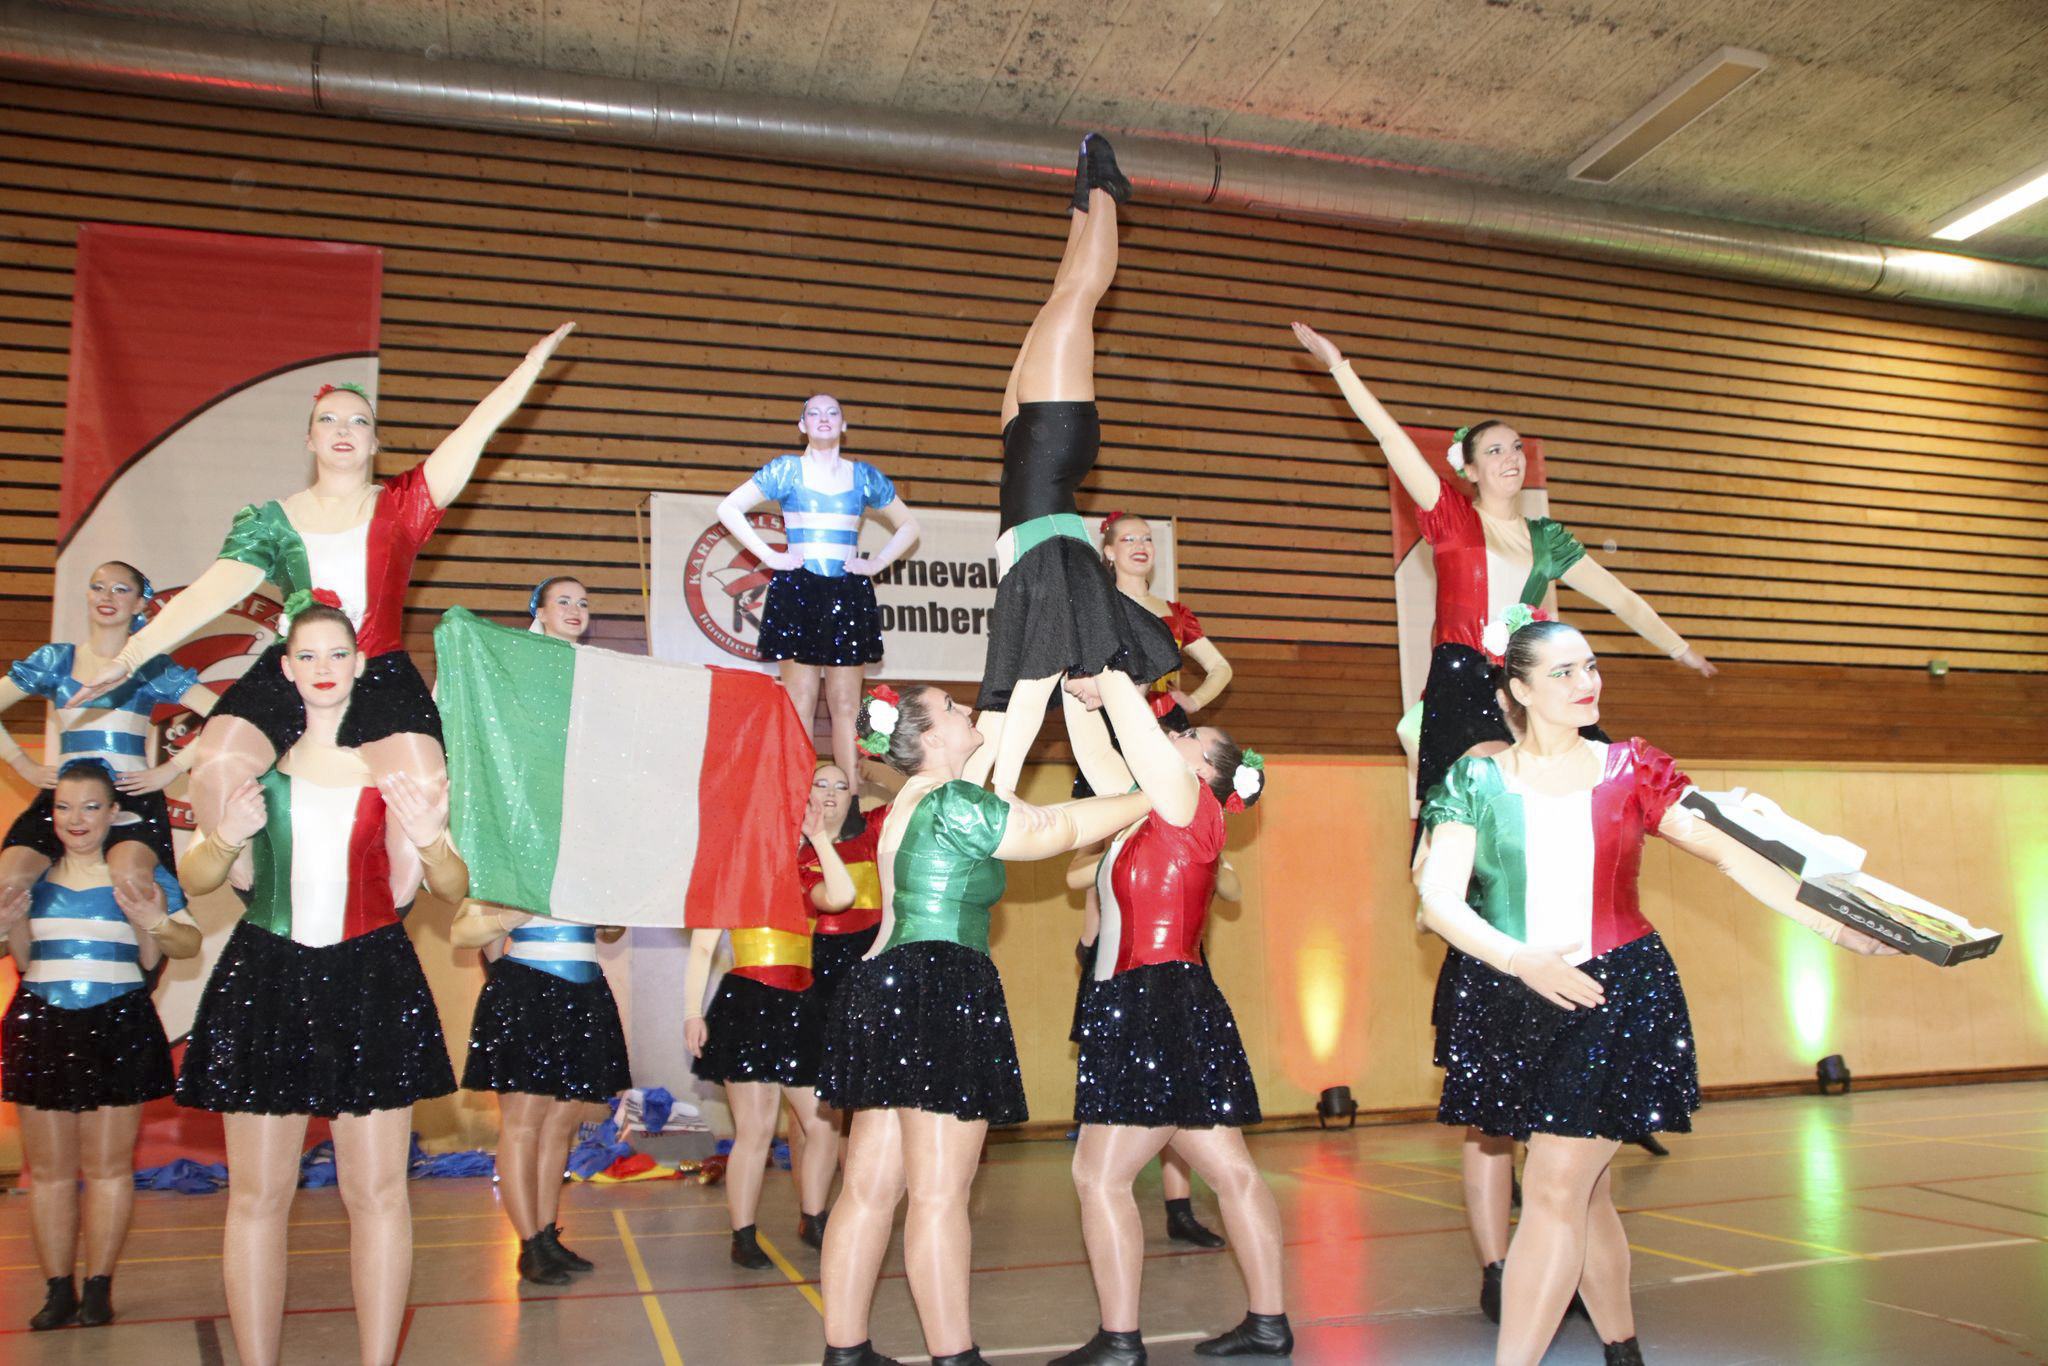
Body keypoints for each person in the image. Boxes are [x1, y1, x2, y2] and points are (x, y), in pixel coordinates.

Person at [1290, 320, 1714, 1313]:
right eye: (1493, 448)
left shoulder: (1549, 542)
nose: (1511, 458)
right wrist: (1341, 366)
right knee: (1464, 825)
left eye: (1519, 448)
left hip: (1530, 691)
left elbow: (1617, 596)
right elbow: (1381, 433)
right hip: (1461, 688)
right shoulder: (1443, 512)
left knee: (1566, 804)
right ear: (1465, 465)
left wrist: (1678, 647)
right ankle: (1472, 924)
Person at [1416, 617, 1894, 1366]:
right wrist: (1520, 961)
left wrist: (1839, 927)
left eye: (1591, 666)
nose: (1587, 682)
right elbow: (1438, 898)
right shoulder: (1473, 782)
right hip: (1515, 997)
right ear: (1519, 690)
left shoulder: (1631, 767)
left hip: (1618, 997)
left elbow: (1734, 854)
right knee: (1585, 1191)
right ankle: (1623, 1349)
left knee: (1553, 1188)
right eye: (1564, 672)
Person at [75, 325, 574, 899]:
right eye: (328, 420)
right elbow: (209, 593)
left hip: (380, 670)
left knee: (425, 785)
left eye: (358, 421)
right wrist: (132, 654)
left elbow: (474, 432)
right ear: (309, 440)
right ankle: (258, 894)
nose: (343, 429)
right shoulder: (272, 521)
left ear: (375, 443)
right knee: (215, 756)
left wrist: (528, 369)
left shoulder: (404, 506)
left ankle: (386, 911)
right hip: (292, 670)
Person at [816, 685, 1150, 1366]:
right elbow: (1051, 830)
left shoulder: (914, 799)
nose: (968, 712)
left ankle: (845, 1354)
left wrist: (1031, 674)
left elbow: (998, 724)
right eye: (952, 707)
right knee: (939, 1194)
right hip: (936, 984)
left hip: (882, 983)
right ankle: (955, 1357)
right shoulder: (950, 800)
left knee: (868, 1191)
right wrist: (1158, 795)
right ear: (930, 737)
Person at [176, 603, 469, 1366]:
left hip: (372, 977)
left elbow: (450, 887)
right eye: (307, 656)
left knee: (378, 1194)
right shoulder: (254, 778)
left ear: (360, 664)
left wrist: (433, 841)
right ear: (286, 670)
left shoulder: (393, 780)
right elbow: (197, 878)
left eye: (337, 653)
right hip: (266, 977)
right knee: (256, 1197)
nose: (324, 668)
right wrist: (224, 838)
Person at [1053, 671, 1288, 1362]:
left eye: (1191, 736)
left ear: (1209, 772)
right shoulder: (1145, 809)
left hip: (1153, 1000)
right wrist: (1074, 687)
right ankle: (1269, 1323)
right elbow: (1098, 751)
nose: (1177, 733)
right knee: (1232, 1172)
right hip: (1153, 1000)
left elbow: (1142, 738)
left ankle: (1120, 1341)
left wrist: (1111, 678)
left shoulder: (1190, 804)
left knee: (1099, 1176)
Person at [972, 136, 1180, 798]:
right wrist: (1002, 790)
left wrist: (989, 782)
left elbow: (1021, 709)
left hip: (1026, 451)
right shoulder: (1065, 615)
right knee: (1081, 297)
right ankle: (1107, 194)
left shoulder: (1057, 622)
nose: (1082, 691)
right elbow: (1026, 698)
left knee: (1059, 297)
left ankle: (1082, 206)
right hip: (1053, 449)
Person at [451, 573, 628, 1287]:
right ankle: (526, 1243)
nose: (577, 610)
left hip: (583, 988)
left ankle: (549, 1233)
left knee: (562, 1123)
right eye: (564, 602)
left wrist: (613, 905)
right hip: (527, 989)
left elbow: (608, 930)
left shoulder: (592, 840)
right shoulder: (508, 838)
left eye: (586, 602)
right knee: (522, 1124)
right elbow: (464, 931)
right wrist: (510, 915)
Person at [0, 760, 201, 1330]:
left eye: (91, 806)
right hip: (42, 1024)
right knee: (51, 1171)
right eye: (63, 807)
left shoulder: (141, 876)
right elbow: (20, 958)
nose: (76, 819)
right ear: (50, 813)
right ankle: (56, 1291)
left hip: (118, 1023)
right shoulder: (30, 879)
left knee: (110, 1168)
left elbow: (185, 944)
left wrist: (154, 920)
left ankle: (98, 1289)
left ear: (115, 813)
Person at [683, 782, 858, 1267]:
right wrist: (692, 1011)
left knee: (822, 1124)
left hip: (801, 1006)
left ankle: (814, 1217)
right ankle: (743, 1235)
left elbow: (843, 896)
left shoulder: (806, 874)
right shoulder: (732, 875)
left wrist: (818, 838)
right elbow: (702, 947)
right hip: (748, 1004)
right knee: (756, 1130)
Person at [718, 395, 921, 779]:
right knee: (799, 701)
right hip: (798, 590)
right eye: (814, 412)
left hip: (848, 592)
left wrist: (876, 563)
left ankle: (850, 803)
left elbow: (909, 525)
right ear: (802, 426)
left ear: (843, 425)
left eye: (832, 412)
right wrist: (770, 556)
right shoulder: (786, 470)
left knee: (846, 704)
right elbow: (728, 508)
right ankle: (798, 798)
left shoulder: (864, 476)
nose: (823, 418)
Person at [0, 560, 217, 905]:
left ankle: (150, 937)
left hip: (129, 792)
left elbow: (226, 715)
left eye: (120, 589)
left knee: (132, 880)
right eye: (98, 587)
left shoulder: (150, 667)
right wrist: (23, 765)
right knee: (9, 881)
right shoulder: (55, 661)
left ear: (140, 603)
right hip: (65, 799)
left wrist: (171, 769)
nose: (107, 596)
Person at [1097, 512, 1234, 729]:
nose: (1140, 545)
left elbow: (1220, 667)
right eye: (1129, 539)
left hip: (1169, 724)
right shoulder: (1099, 609)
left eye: (1147, 539)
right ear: (1110, 552)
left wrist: (1195, 701)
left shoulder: (1176, 614)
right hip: (1112, 720)